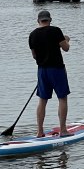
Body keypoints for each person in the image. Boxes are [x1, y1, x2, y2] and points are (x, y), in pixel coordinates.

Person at [28, 10, 71, 138]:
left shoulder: (32, 35)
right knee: (62, 98)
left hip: (42, 70)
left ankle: (39, 131)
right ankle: (63, 130)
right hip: (56, 69)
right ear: (50, 20)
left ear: (38, 21)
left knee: (42, 100)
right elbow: (66, 48)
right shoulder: (56, 31)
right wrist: (66, 39)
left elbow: (34, 55)